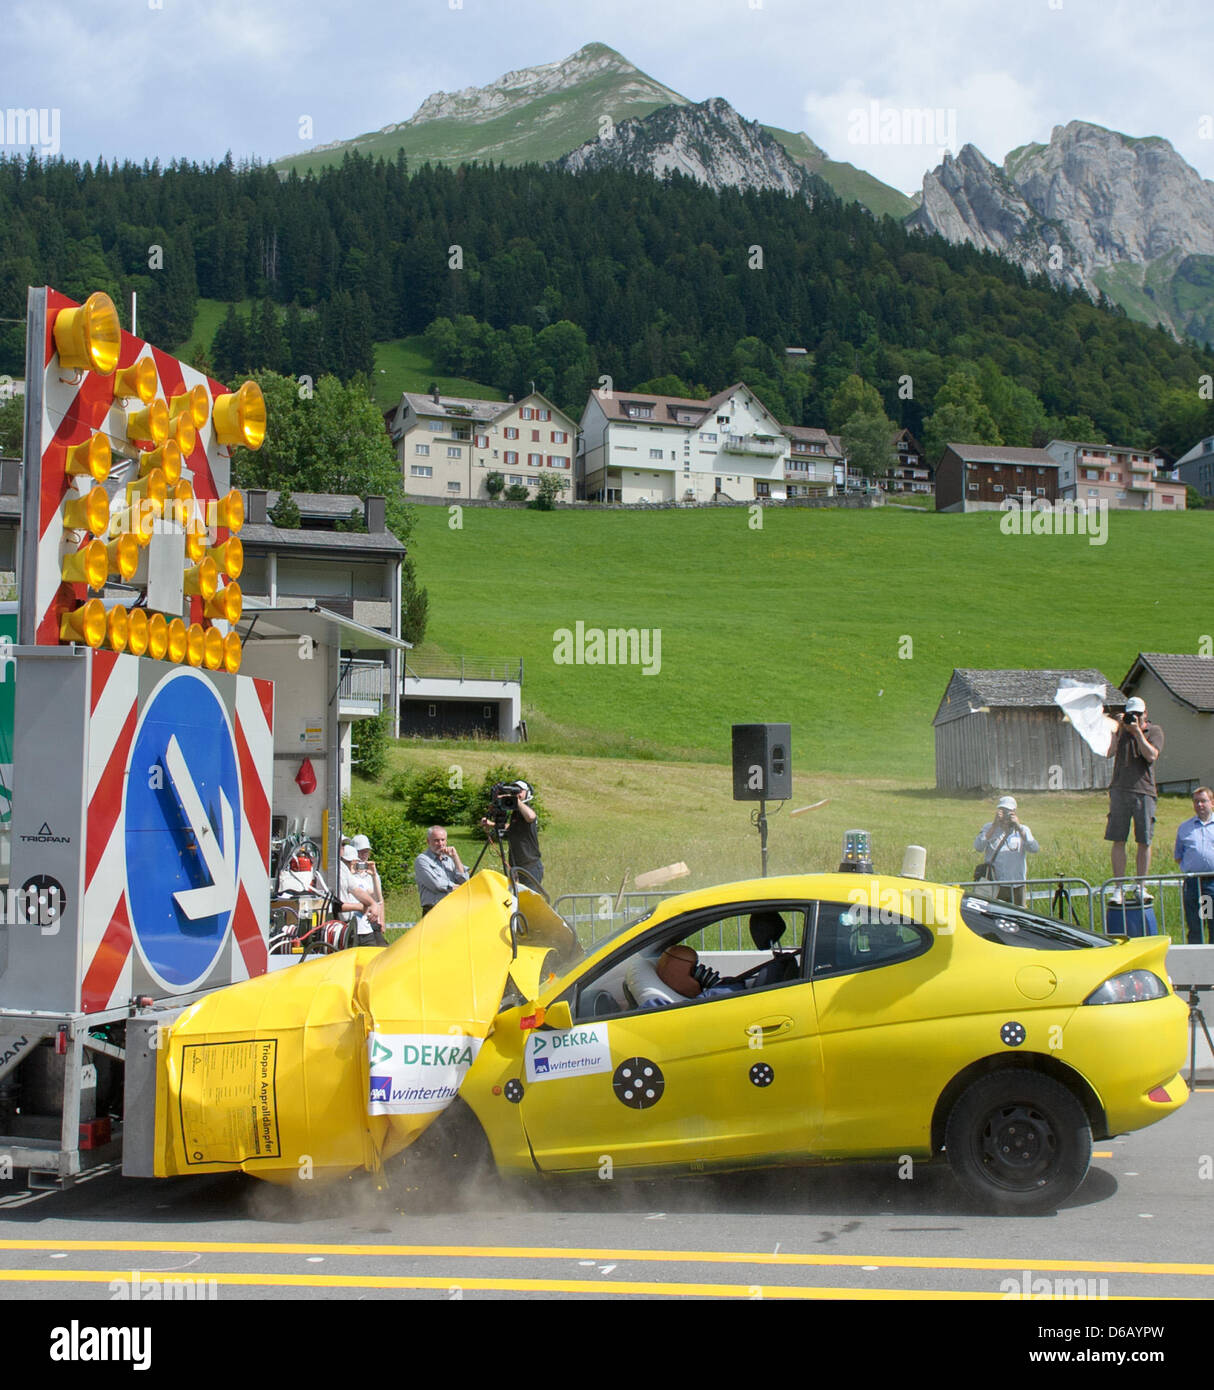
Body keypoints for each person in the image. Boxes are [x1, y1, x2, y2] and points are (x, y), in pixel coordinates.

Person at [1105, 696, 1165, 903]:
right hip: (1120, 789)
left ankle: (1141, 885)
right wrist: (1119, 730)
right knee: (1118, 839)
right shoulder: (1121, 731)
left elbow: (1151, 755)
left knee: (1144, 840)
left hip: (1144, 790)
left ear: (1145, 714)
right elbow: (1109, 753)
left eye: (1139, 714)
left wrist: (1137, 732)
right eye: (1132, 714)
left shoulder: (1154, 731)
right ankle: (1118, 887)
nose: (1135, 718)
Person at [973, 796, 1039, 906]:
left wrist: (1019, 828)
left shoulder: (1023, 830)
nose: (1006, 816)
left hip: (1017, 885)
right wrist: (994, 826)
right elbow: (978, 847)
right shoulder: (988, 828)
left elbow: (1034, 848)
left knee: (1019, 917)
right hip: (995, 884)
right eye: (1003, 811)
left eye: (1009, 812)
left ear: (1015, 812)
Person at [481, 781, 543, 887]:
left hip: (530, 865)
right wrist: (491, 824)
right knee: (516, 899)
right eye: (514, 792)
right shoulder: (516, 812)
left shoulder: (527, 809)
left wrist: (516, 801)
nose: (516, 795)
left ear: (527, 793)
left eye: (519, 791)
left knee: (529, 900)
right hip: (515, 864)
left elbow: (531, 817)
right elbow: (511, 827)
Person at [1174, 786, 1214, 944]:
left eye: (1203, 801)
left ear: (1212, 803)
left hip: (1212, 883)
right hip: (1192, 885)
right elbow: (1178, 855)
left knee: (1212, 924)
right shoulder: (1185, 828)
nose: (1200, 805)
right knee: (1195, 926)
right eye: (1196, 801)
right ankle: (1195, 964)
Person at [338, 841, 387, 947]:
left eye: (354, 862)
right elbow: (337, 904)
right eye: (349, 862)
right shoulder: (340, 876)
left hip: (365, 927)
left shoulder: (360, 880)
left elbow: (378, 899)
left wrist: (374, 876)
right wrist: (360, 907)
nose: (352, 865)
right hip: (348, 927)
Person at [414, 825, 470, 915]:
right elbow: (436, 885)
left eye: (443, 840)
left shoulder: (449, 860)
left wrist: (455, 857)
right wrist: (460, 888)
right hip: (434, 910)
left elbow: (464, 881)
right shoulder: (422, 860)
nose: (440, 844)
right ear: (428, 841)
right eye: (436, 840)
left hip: (454, 908)